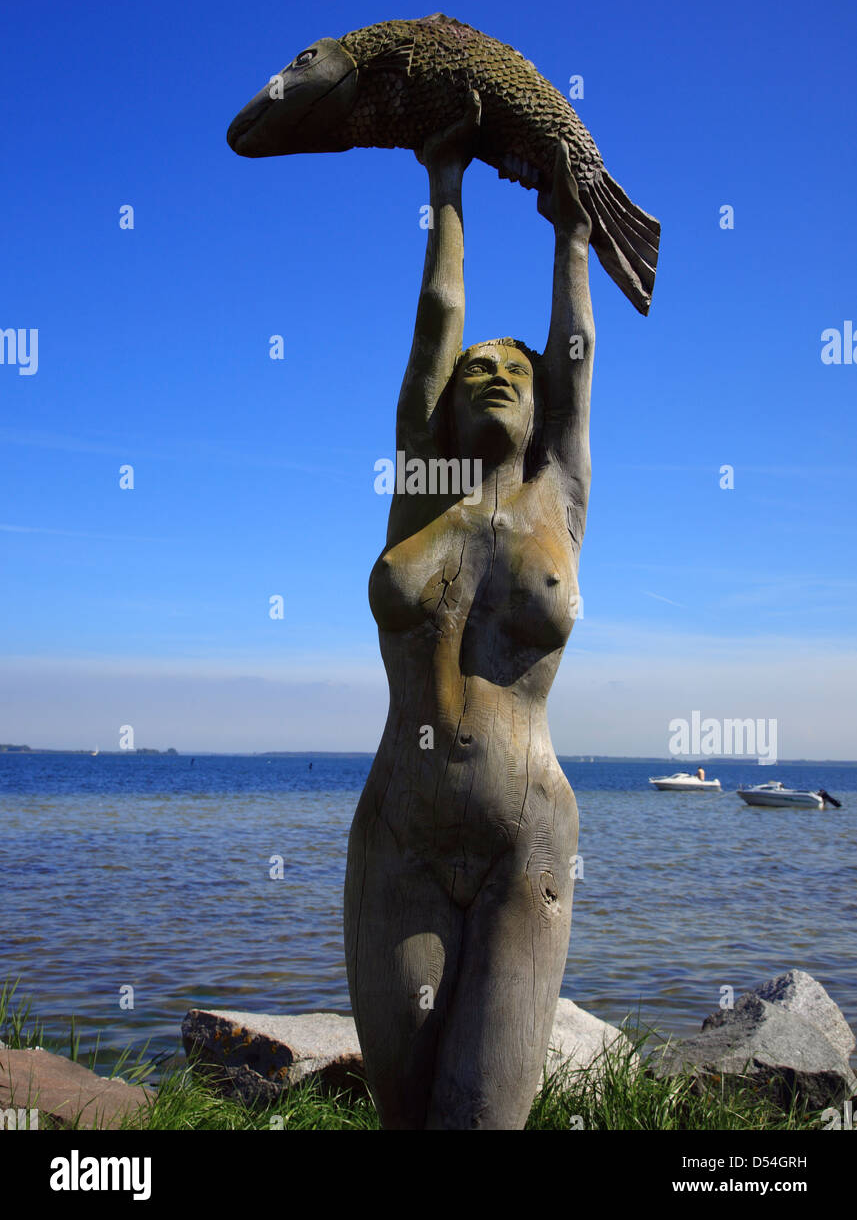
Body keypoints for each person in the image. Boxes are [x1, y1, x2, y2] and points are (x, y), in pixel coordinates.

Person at [344, 92, 593, 1129]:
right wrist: (443, 187)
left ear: (539, 407)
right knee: (407, 1115)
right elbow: (438, 323)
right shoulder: (423, 485)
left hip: (522, 839)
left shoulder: (557, 498)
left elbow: (574, 350)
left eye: (514, 371)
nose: (494, 372)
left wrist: (571, 233)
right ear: (444, 403)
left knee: (481, 1117)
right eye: (476, 372)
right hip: (397, 833)